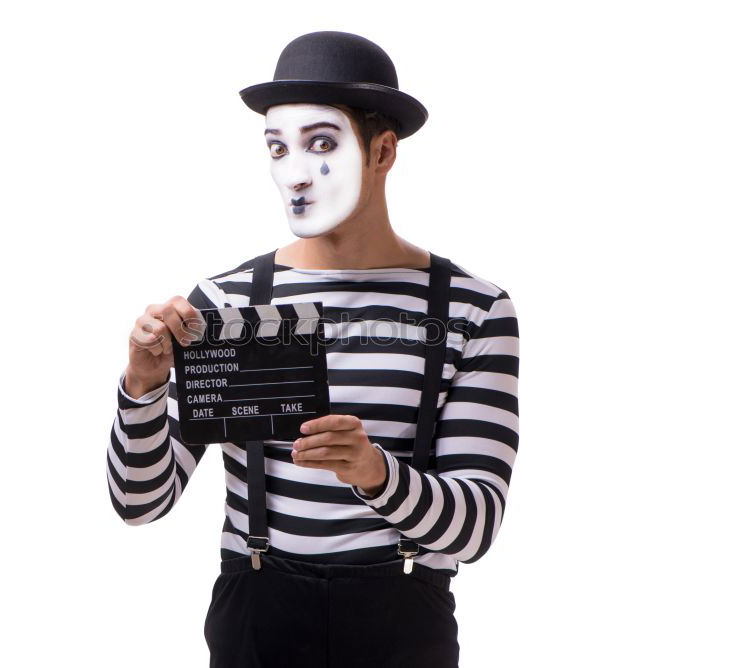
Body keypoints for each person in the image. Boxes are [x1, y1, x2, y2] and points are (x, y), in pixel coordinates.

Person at [107, 31, 520, 667]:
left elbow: (475, 527)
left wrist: (375, 473)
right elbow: (140, 503)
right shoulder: (227, 301)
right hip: (259, 612)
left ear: (383, 152)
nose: (294, 173)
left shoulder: (471, 309)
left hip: (402, 619)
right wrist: (143, 387)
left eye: (321, 144)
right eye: (278, 148)